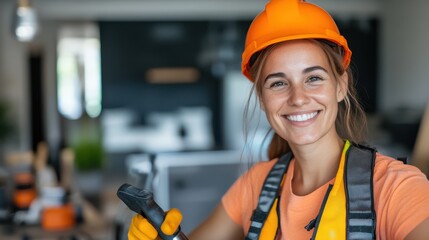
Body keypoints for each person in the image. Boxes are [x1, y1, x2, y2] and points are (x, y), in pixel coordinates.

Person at [127, 0, 429, 239]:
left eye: (313, 78)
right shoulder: (255, 186)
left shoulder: (395, 188)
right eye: (278, 83)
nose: (298, 98)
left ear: (340, 85)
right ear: (262, 97)